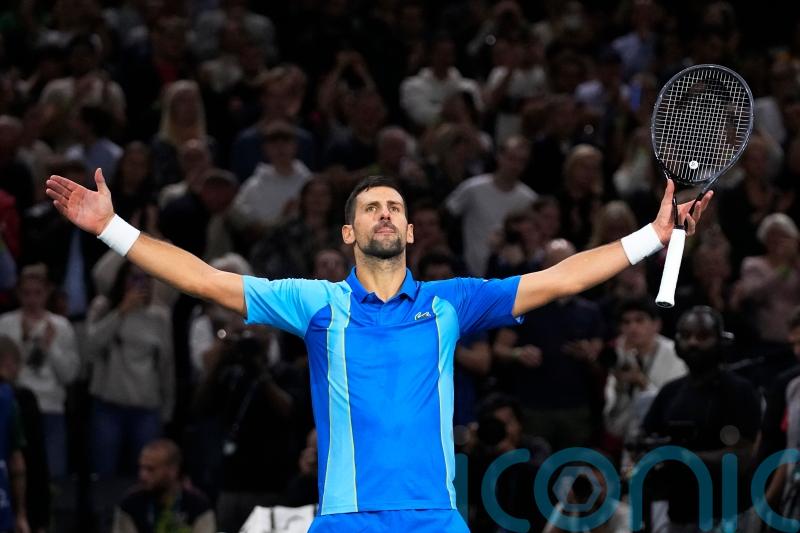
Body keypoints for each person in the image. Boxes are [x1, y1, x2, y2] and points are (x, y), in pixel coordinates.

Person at [45, 167, 709, 532]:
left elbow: (558, 278)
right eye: (371, 208)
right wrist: (112, 228)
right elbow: (206, 280)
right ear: (350, 229)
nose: (385, 213)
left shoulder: (453, 301)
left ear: (411, 228)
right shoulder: (316, 303)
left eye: (394, 206)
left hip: (435, 517)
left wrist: (653, 236)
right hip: (346, 519)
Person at [641, 306, 761, 532]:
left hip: (727, 513)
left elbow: (744, 455)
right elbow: (647, 440)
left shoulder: (739, 391)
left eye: (702, 336)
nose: (693, 343)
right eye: (686, 336)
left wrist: (686, 458)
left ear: (721, 341)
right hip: (679, 512)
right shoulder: (669, 392)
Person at [111, 439, 215, 533]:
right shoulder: (130, 505)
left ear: (172, 470)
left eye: (150, 469)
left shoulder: (199, 506)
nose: (142, 475)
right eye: (141, 468)